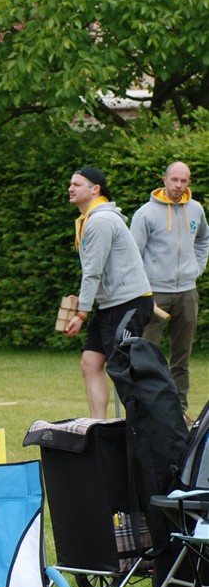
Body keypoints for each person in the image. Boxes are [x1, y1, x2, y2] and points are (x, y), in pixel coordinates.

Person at [62, 166, 154, 419]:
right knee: (90, 363)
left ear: (95, 189)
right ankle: (98, 427)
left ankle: (144, 426)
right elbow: (100, 271)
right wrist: (85, 300)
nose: (71, 188)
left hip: (129, 303)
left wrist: (82, 313)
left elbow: (93, 272)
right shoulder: (92, 219)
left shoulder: (101, 220)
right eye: (71, 183)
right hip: (110, 304)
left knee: (123, 369)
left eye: (77, 184)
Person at [131, 161, 208, 415]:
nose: (178, 185)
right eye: (174, 180)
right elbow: (133, 255)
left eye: (184, 181)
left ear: (189, 182)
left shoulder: (195, 210)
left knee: (182, 358)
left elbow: (204, 239)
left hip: (187, 292)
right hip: (153, 294)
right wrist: (143, 290)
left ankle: (179, 412)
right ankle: (146, 412)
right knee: (146, 355)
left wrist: (196, 269)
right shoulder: (145, 214)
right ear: (164, 180)